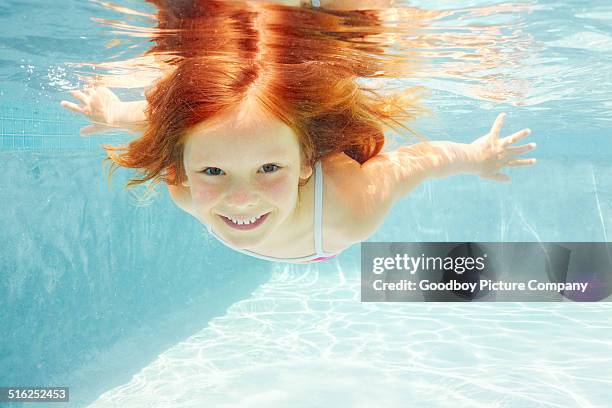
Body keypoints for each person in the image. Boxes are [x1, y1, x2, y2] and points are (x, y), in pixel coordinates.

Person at [61, 0, 536, 264]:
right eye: (212, 169)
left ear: (307, 160)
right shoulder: (186, 184)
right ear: (185, 164)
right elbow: (175, 127)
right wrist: (116, 113)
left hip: (316, 228)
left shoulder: (347, 209)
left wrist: (477, 156)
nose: (240, 199)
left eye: (269, 168)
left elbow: (419, 163)